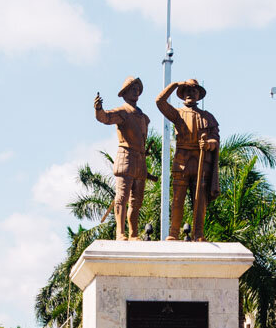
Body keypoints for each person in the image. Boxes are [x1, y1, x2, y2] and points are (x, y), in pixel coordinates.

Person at [155, 79, 220, 241]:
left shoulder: (207, 117)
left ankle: (198, 234)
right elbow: (159, 101)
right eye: (187, 91)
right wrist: (174, 85)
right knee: (177, 200)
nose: (191, 93)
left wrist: (208, 144)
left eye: (194, 91)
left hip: (201, 163)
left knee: (200, 201)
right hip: (182, 162)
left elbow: (216, 140)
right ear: (183, 95)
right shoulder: (177, 114)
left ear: (199, 95)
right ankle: (174, 233)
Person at [93, 77, 151, 241]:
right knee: (122, 197)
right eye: (132, 88)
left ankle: (133, 233)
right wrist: (98, 109)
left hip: (140, 160)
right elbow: (105, 118)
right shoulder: (123, 112)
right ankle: (121, 232)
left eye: (137, 88)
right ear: (124, 93)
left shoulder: (144, 117)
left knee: (137, 201)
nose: (136, 91)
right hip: (126, 157)